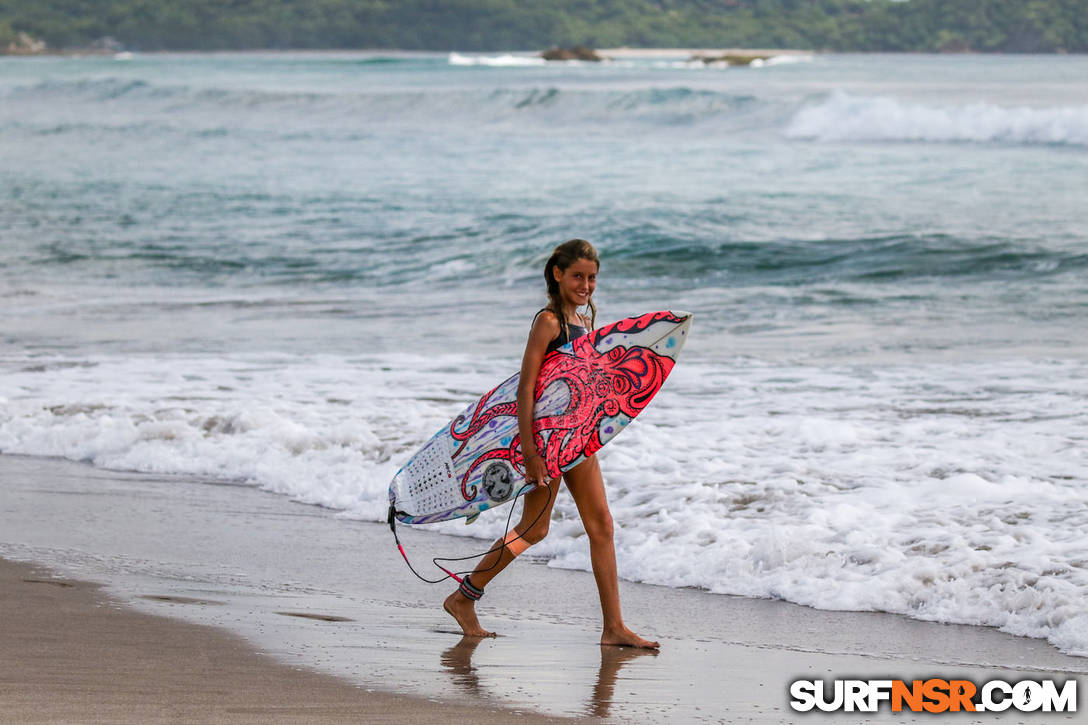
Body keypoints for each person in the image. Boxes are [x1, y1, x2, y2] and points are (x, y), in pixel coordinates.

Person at [443, 239, 659, 649]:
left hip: (579, 442)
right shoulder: (548, 322)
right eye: (578, 275)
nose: (586, 284)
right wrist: (530, 451)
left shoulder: (584, 322)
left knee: (602, 527)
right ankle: (463, 597)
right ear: (557, 274)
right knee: (534, 528)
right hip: (547, 443)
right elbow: (526, 388)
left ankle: (613, 627)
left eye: (592, 278)